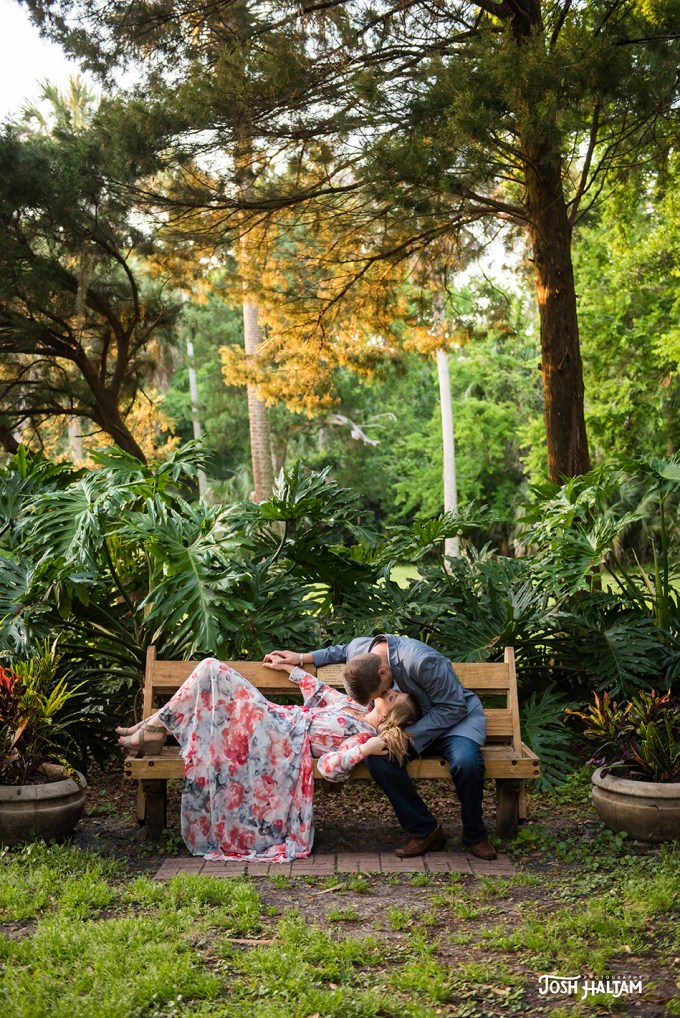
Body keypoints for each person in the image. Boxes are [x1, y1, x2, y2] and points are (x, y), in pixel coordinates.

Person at [117, 657, 419, 863]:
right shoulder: (356, 707)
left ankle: (152, 727)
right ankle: (154, 727)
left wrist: (364, 751)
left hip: (278, 741)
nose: (390, 692)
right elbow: (320, 690)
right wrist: (290, 668)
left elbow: (329, 768)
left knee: (212, 669)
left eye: (393, 698)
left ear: (388, 717)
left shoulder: (363, 736)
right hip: (274, 722)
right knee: (210, 670)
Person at [265, 635, 497, 861]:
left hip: (453, 722)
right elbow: (341, 651)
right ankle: (426, 830)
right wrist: (301, 658)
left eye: (381, 694)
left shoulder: (422, 661)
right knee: (378, 758)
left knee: (467, 763)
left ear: (382, 673)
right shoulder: (362, 651)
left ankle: (475, 834)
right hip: (402, 723)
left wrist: (405, 736)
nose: (385, 694)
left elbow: (453, 707)